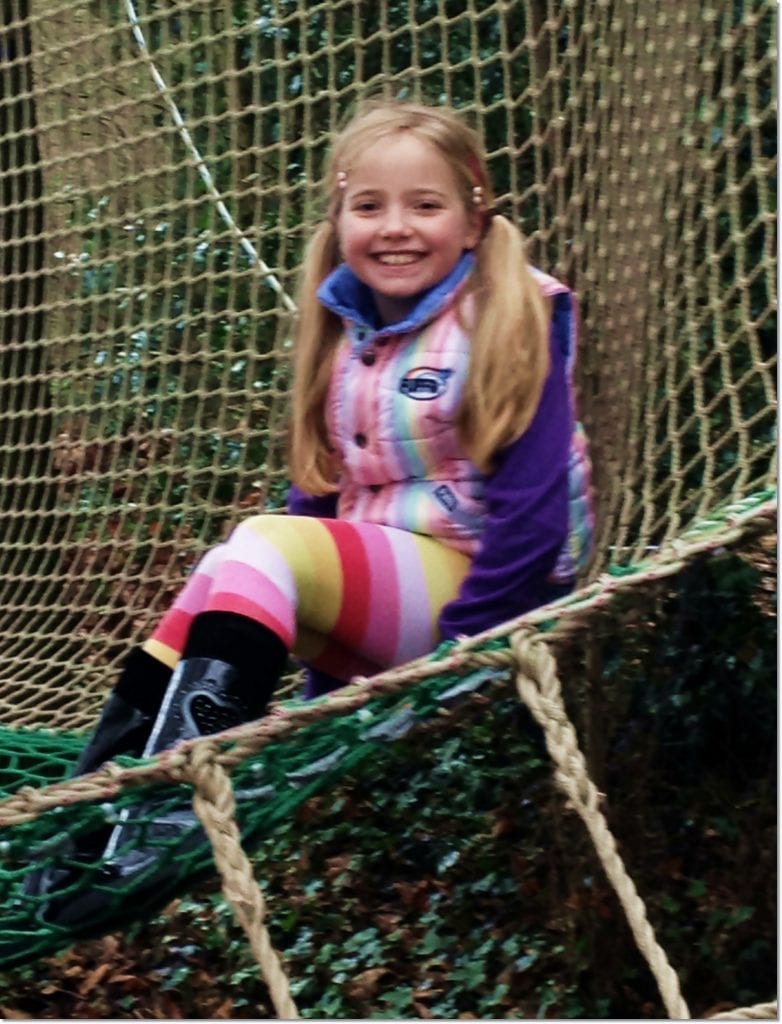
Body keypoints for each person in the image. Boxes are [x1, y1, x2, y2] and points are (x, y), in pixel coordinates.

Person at [29, 99, 593, 923]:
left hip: (494, 606)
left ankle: (174, 821)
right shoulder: (350, 326)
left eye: (424, 205)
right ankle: (91, 812)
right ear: (338, 218)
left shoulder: (510, 315)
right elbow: (324, 507)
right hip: (399, 588)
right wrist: (326, 686)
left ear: (472, 219)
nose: (394, 227)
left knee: (259, 544)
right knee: (230, 563)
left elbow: (535, 521)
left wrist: (446, 666)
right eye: (369, 206)